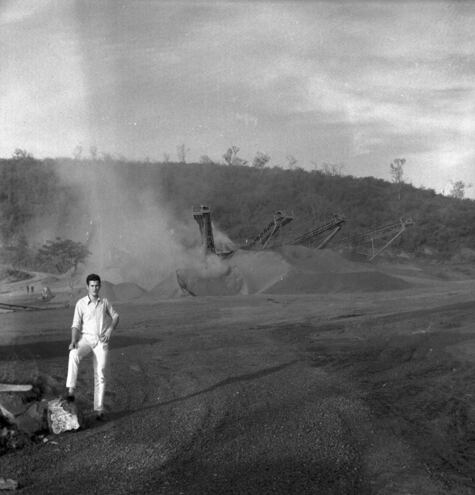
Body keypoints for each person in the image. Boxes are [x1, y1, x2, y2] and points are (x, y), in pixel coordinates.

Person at [65, 273, 119, 420]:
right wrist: (73, 340)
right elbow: (75, 324)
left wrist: (109, 330)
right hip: (86, 339)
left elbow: (115, 316)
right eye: (92, 286)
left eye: (97, 285)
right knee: (73, 353)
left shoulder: (105, 302)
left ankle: (99, 410)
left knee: (100, 373)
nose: (95, 288)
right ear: (87, 287)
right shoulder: (80, 303)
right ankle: (71, 390)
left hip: (101, 341)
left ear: (100, 286)